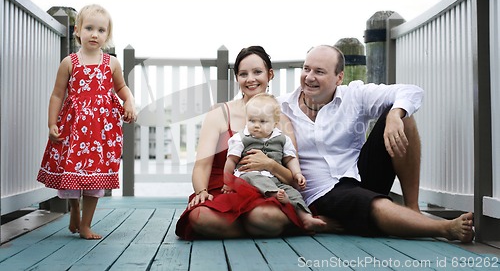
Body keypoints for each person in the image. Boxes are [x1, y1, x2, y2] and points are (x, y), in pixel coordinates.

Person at [278, 44, 474, 242]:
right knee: (373, 203)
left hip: (359, 173)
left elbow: (411, 92)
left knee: (403, 115)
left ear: (339, 77)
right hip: (323, 192)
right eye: (306, 69)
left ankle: (413, 209)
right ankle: (444, 228)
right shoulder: (281, 106)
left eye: (319, 71)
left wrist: (395, 114)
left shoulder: (354, 95)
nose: (309, 77)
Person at [175, 46, 304, 240]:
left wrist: (269, 164)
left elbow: (292, 178)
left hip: (267, 190)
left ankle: (255, 224)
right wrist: (201, 191)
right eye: (243, 74)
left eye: (257, 72)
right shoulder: (219, 113)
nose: (250, 79)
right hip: (224, 188)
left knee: (267, 216)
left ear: (270, 75)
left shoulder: (282, 121)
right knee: (200, 217)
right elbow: (202, 165)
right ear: (237, 78)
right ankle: (254, 228)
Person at [37, 4, 136, 240]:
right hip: (74, 129)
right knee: (72, 173)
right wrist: (52, 123)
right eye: (89, 28)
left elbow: (121, 87)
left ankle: (85, 224)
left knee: (95, 177)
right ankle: (74, 209)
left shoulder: (111, 63)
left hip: (101, 131)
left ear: (107, 35)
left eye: (101, 30)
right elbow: (57, 95)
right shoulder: (69, 62)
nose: (95, 34)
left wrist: (129, 101)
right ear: (77, 30)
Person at [222, 93, 326, 231]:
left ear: (275, 123)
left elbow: (290, 158)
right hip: (248, 176)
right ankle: (274, 194)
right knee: (253, 176)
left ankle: (306, 218)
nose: (256, 125)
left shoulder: (282, 139)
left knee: (293, 193)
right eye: (252, 120)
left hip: (275, 179)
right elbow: (231, 161)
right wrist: (228, 182)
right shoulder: (241, 138)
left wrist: (297, 174)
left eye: (263, 122)